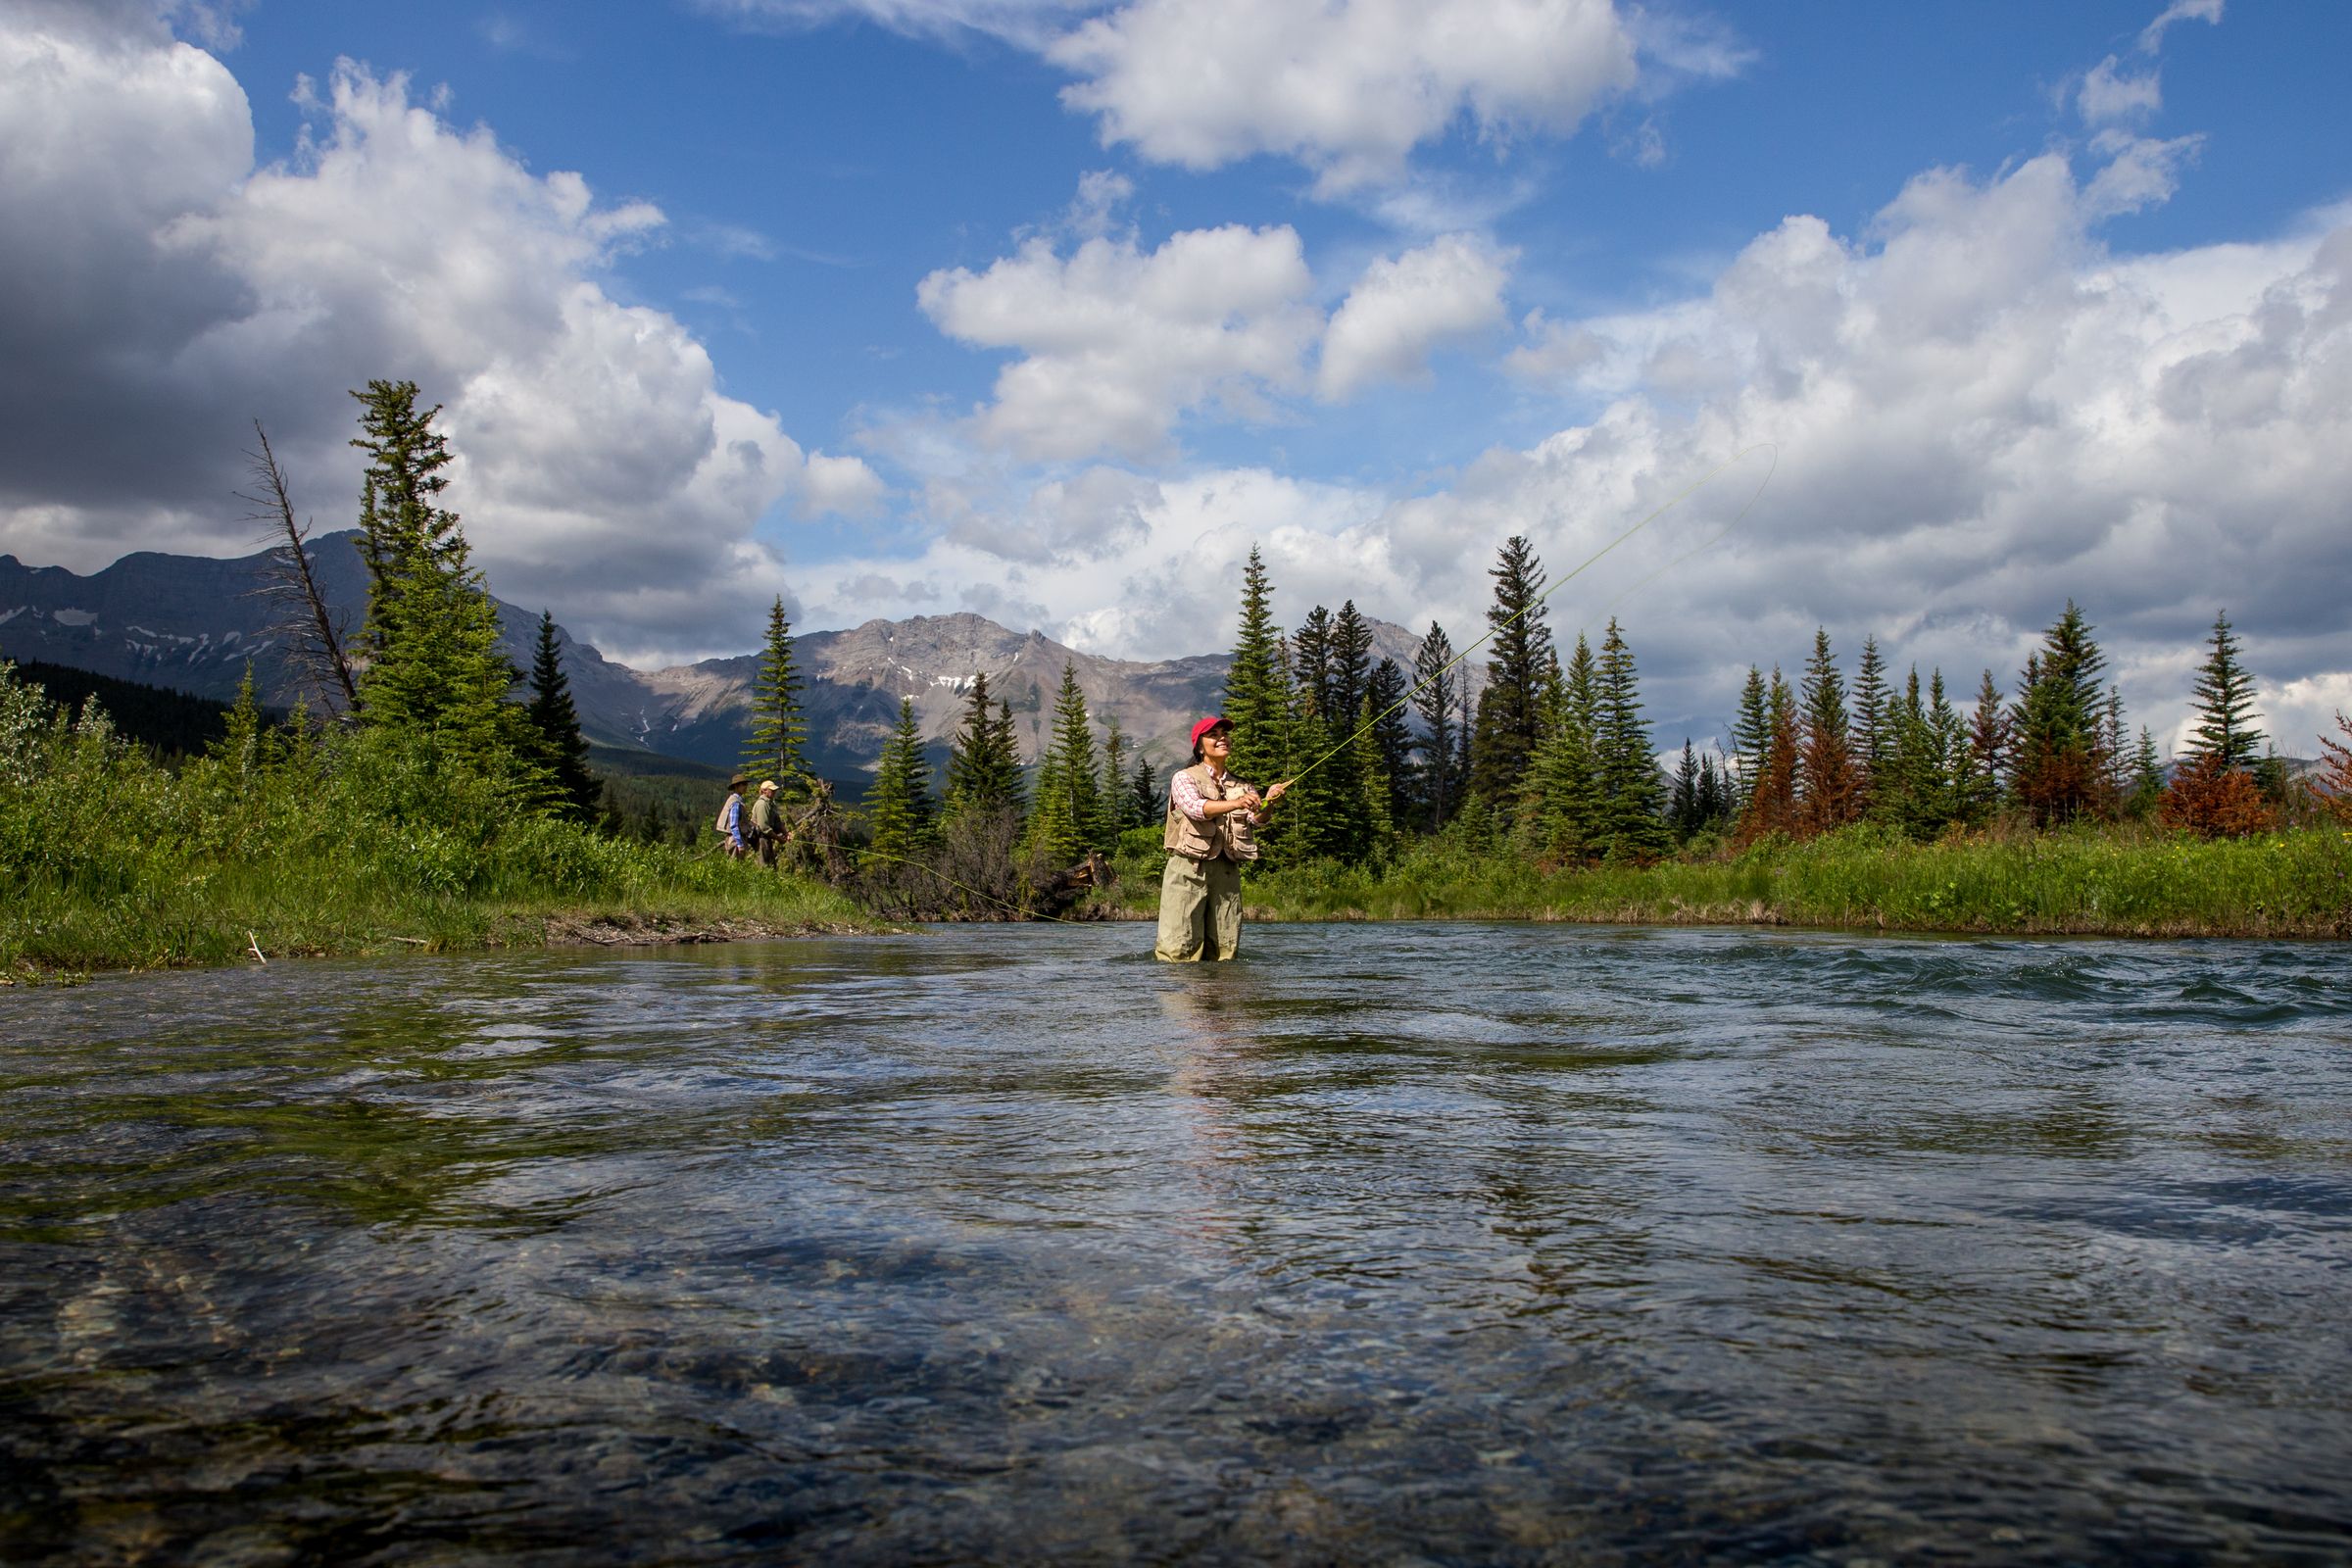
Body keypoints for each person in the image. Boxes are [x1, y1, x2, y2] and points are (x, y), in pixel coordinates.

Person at [1154, 714, 1289, 962]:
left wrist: (1270, 801)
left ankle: (1223, 996)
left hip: (1227, 872)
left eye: (1224, 734)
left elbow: (1256, 820)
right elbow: (1195, 808)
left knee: (1225, 950)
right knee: (1178, 949)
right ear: (1199, 746)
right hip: (1188, 870)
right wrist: (1236, 802)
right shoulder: (1184, 777)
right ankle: (1183, 999)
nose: (1221, 739)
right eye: (1213, 735)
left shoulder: (1243, 785)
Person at [747, 778, 784, 867]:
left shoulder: (770, 804)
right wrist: (778, 838)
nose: (774, 792)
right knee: (764, 866)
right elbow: (764, 827)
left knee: (770, 866)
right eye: (772, 790)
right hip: (761, 839)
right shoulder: (762, 805)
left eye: (775, 790)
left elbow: (777, 822)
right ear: (764, 791)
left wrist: (785, 833)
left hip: (767, 839)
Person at [716, 775, 750, 858]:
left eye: (746, 784)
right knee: (736, 867)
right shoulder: (735, 802)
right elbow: (734, 825)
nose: (746, 786)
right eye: (743, 784)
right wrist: (740, 844)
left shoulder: (736, 800)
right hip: (735, 840)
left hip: (734, 839)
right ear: (736, 786)